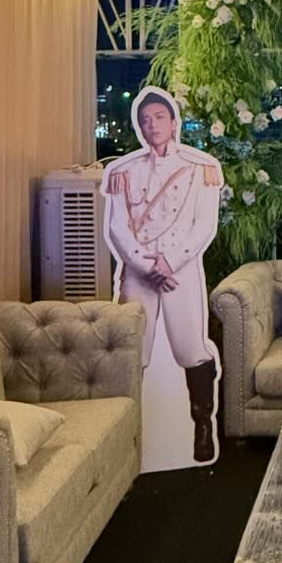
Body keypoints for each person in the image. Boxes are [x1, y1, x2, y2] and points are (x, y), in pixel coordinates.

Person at [100, 89, 222, 463]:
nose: (152, 125)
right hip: (139, 273)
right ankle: (129, 437)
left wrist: (169, 262)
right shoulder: (124, 172)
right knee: (132, 351)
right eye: (145, 119)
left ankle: (203, 426)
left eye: (158, 117)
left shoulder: (200, 168)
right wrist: (145, 265)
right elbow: (118, 227)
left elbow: (204, 225)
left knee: (191, 348)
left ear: (173, 123)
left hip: (179, 272)